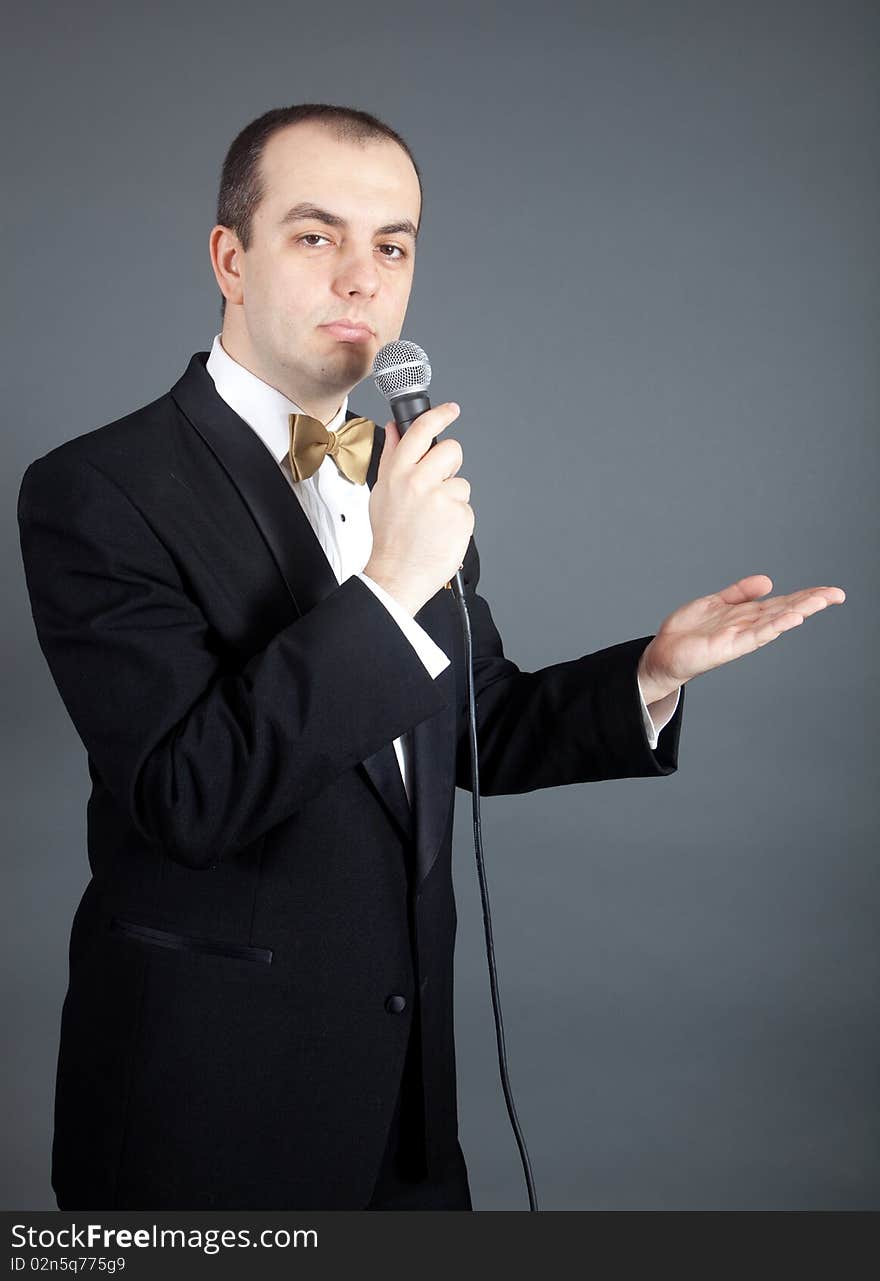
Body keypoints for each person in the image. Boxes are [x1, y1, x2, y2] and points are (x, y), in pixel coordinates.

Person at [17, 102, 693, 1211]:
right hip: (207, 1105)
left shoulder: (399, 465)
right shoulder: (98, 490)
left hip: (406, 1107)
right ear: (230, 259)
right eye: (316, 236)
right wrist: (386, 587)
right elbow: (187, 795)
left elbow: (476, 720)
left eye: (392, 245)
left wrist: (653, 673)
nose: (362, 278)